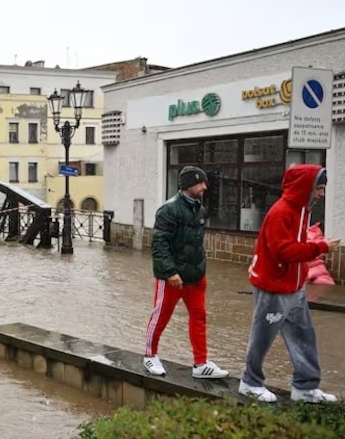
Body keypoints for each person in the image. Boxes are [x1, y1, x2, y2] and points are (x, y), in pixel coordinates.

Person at [239, 164, 340, 403]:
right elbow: (283, 251)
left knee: (304, 335)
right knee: (262, 337)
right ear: (306, 188)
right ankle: (249, 382)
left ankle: (305, 388)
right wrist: (321, 247)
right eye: (319, 188)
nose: (321, 194)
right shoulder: (281, 212)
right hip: (273, 289)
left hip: (295, 288)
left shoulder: (302, 211)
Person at [143, 166, 229, 379]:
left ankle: (201, 363)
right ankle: (149, 355)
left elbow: (196, 243)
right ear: (190, 185)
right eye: (201, 183)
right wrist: (170, 272)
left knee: (199, 317)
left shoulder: (200, 210)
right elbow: (159, 243)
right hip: (172, 278)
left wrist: (201, 269)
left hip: (196, 277)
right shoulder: (169, 210)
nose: (205, 187)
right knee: (160, 316)